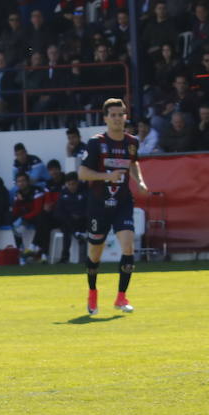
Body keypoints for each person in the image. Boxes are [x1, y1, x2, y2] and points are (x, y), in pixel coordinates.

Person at [78, 98, 148, 315]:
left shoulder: (132, 141)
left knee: (128, 247)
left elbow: (133, 163)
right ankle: (92, 292)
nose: (118, 119)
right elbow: (82, 173)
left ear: (125, 117)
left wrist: (140, 181)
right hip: (99, 205)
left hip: (122, 203)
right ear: (106, 118)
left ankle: (121, 297)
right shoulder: (96, 143)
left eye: (121, 114)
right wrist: (107, 176)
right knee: (95, 254)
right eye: (114, 115)